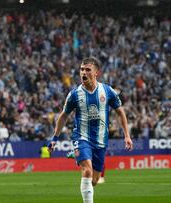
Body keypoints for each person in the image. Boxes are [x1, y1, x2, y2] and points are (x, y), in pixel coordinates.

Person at [48, 57, 133, 203]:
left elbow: (120, 112)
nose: (83, 73)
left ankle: (75, 155)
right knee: (86, 170)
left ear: (96, 73)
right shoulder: (74, 94)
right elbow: (63, 116)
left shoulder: (107, 91)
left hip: (100, 139)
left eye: (88, 70)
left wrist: (127, 135)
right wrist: (54, 138)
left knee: (94, 180)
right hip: (81, 136)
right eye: (82, 69)